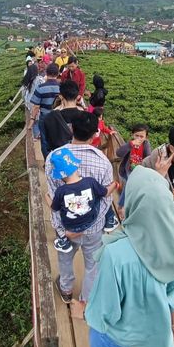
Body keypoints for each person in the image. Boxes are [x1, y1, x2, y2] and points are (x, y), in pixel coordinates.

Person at [83, 166, 174, 347]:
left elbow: (102, 313)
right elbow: (173, 296)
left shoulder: (115, 253)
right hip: (159, 341)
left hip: (119, 342)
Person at [45, 112, 114, 304]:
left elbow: (53, 201)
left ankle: (66, 291)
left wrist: (63, 230)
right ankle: (86, 299)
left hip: (67, 228)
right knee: (93, 264)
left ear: (71, 129)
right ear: (94, 135)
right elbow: (106, 200)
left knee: (65, 258)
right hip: (93, 229)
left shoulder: (53, 157)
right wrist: (91, 223)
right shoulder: (102, 161)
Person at [46, 147, 120, 253]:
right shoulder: (90, 182)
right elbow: (106, 193)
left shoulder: (60, 191)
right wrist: (114, 184)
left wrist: (46, 197)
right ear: (76, 165)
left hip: (70, 227)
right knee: (99, 196)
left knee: (59, 216)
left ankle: (63, 240)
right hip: (91, 220)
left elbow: (54, 209)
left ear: (60, 176)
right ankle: (110, 219)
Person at [116, 123, 152, 220]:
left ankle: (125, 206)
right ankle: (121, 206)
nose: (139, 138)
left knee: (131, 185)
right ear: (132, 135)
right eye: (136, 135)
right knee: (129, 184)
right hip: (129, 169)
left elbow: (149, 158)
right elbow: (118, 153)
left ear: (146, 137)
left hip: (140, 170)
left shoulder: (146, 144)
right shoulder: (130, 143)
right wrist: (130, 145)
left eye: (141, 136)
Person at [42, 80, 84, 156]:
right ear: (78, 96)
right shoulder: (85, 116)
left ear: (61, 96)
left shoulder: (50, 117)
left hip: (59, 158)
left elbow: (47, 143)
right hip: (80, 157)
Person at [29, 63, 61, 155]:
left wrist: (32, 119)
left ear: (46, 73)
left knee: (45, 140)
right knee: (58, 138)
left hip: (45, 117)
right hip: (59, 117)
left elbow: (36, 106)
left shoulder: (40, 88)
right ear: (58, 73)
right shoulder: (61, 87)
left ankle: (47, 161)